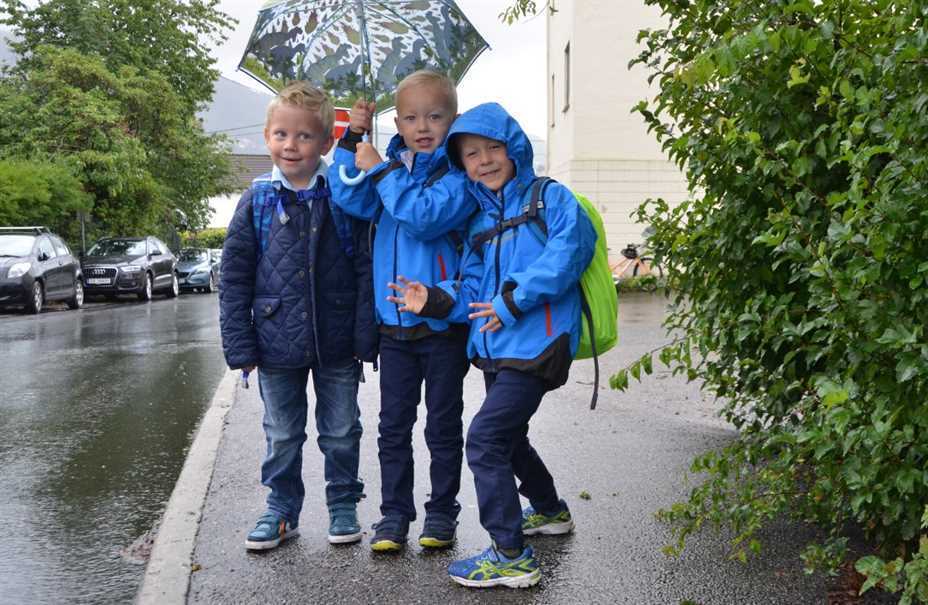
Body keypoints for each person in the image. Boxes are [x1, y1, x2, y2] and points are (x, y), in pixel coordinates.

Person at [385, 102, 596, 587]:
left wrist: (513, 301)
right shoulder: (479, 224)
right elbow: (473, 291)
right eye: (472, 154)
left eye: (493, 148)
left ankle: (511, 555)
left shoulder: (550, 198)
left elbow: (569, 255)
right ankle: (549, 509)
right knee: (510, 438)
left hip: (540, 344)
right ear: (462, 164)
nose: (484, 160)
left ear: (514, 148)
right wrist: (435, 299)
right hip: (497, 349)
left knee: (484, 440)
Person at [219, 81, 377, 551]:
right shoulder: (256, 201)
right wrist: (240, 345)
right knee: (283, 434)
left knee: (341, 431)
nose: (291, 145)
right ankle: (281, 508)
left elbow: (365, 268)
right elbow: (234, 278)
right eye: (281, 134)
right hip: (275, 343)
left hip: (338, 341)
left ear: (326, 143)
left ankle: (343, 503)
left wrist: (365, 335)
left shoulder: (342, 196)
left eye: (304, 136)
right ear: (267, 137)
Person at [328, 70, 475, 552]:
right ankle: (393, 514)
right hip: (393, 327)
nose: (422, 126)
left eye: (434, 116)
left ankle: (442, 512)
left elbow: (424, 217)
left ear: (453, 119)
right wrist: (353, 138)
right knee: (393, 427)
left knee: (442, 426)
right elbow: (347, 195)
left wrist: (383, 171)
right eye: (410, 118)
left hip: (441, 324)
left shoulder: (458, 177)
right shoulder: (388, 166)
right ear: (398, 123)